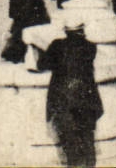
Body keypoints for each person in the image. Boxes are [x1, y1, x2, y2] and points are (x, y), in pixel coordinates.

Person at [37, 11, 103, 168]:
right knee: (88, 140)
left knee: (70, 144)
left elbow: (41, 65)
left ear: (65, 30)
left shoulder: (57, 45)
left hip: (63, 99)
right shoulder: (90, 47)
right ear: (82, 30)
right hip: (86, 99)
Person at [1, 0, 50, 64]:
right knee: (21, 31)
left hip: (17, 9)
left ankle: (13, 53)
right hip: (27, 9)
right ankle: (16, 53)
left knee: (17, 30)